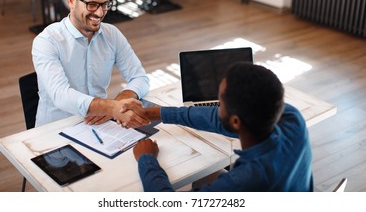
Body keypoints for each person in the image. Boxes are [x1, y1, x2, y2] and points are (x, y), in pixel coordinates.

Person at [127, 62, 314, 191]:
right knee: (203, 173)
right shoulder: (292, 118)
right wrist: (158, 113)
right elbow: (215, 118)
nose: (216, 107)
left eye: (221, 103)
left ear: (235, 122)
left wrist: (147, 159)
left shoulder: (243, 182)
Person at [32, 0, 150, 128]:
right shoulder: (47, 41)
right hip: (57, 132)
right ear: (71, 1)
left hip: (100, 125)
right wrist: (111, 108)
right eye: (92, 5)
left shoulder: (112, 34)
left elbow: (140, 78)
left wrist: (117, 103)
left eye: (105, 4)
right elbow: (61, 95)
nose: (100, 13)